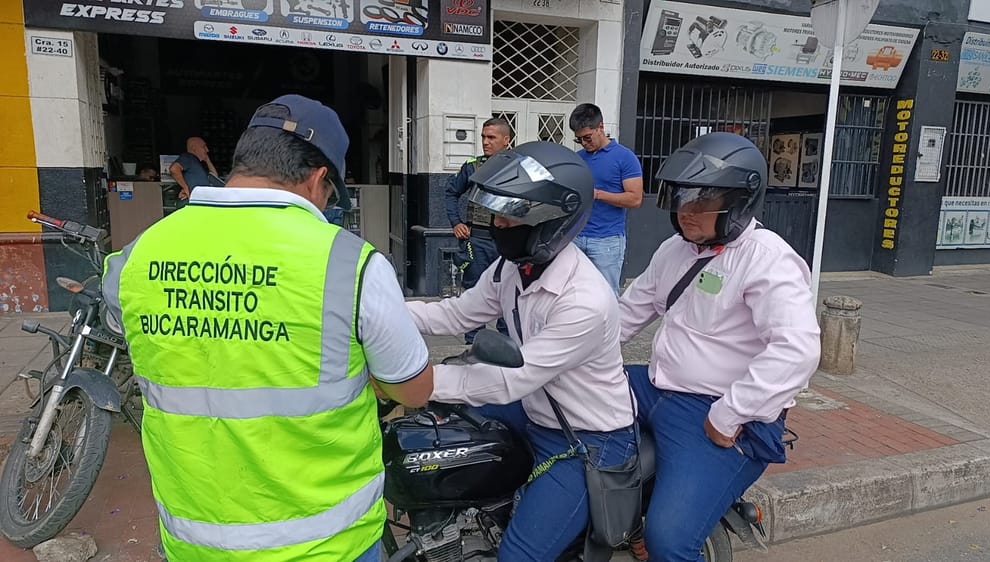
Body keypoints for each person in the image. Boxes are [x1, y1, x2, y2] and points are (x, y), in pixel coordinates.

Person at [102, 94, 434, 562]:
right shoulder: (349, 262)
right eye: (330, 193)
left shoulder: (138, 255)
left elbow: (125, 328)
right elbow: (414, 391)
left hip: (195, 541)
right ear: (319, 179)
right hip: (327, 544)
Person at [408, 141, 637, 561]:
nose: (497, 224)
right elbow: (458, 315)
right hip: (535, 410)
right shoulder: (513, 267)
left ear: (553, 220)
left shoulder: (583, 300)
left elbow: (511, 378)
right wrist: (384, 317)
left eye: (511, 215)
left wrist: (418, 382)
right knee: (429, 435)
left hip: (585, 438)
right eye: (495, 214)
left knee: (519, 557)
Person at [618, 132, 820, 561]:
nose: (686, 211)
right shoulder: (675, 249)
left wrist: (730, 414)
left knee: (670, 542)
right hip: (655, 385)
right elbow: (629, 312)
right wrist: (565, 359)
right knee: (555, 405)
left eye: (702, 200)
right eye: (681, 197)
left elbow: (796, 349)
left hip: (716, 407)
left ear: (740, 201)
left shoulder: (767, 259)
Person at [444, 117, 512, 344]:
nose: (485, 142)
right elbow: (451, 193)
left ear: (506, 140)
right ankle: (473, 345)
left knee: (509, 292)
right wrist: (456, 222)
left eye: (491, 137)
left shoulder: (518, 167)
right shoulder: (472, 166)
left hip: (508, 242)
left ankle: (509, 345)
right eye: (483, 137)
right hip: (478, 240)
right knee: (474, 294)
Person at [569, 103, 643, 296]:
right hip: (576, 236)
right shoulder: (578, 158)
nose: (584, 143)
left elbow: (635, 199)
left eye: (587, 137)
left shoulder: (625, 157)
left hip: (607, 240)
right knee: (574, 293)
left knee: (606, 295)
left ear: (600, 127)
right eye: (579, 140)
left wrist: (598, 194)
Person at [168, 136, 224, 203]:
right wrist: (186, 189)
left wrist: (207, 160)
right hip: (191, 203)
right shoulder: (188, 157)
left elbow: (215, 177)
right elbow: (174, 169)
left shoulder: (198, 165)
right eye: (204, 146)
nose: (207, 150)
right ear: (194, 148)